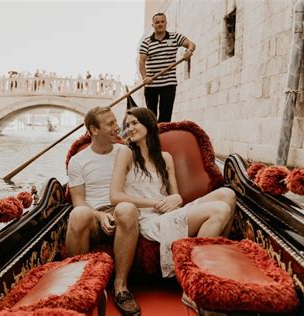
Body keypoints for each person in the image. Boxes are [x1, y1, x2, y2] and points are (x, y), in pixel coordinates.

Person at [110, 107, 235, 278]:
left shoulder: (166, 157)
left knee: (228, 194)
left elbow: (176, 198)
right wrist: (155, 203)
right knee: (220, 209)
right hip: (147, 219)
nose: (129, 128)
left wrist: (176, 198)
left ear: (149, 124)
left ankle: (213, 255)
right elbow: (115, 196)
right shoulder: (126, 153)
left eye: (134, 123)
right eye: (127, 125)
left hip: (168, 213)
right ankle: (195, 277)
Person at [66, 106, 141, 316]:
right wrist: (99, 215)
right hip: (94, 215)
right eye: (110, 124)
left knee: (126, 209)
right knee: (78, 214)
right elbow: (78, 202)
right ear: (94, 129)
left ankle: (121, 288)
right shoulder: (78, 161)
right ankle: (81, 287)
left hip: (124, 212)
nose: (117, 127)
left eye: (115, 122)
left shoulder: (125, 152)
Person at [139, 12, 196, 122]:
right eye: (157, 22)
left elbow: (191, 44)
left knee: (165, 116)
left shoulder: (175, 37)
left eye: (162, 21)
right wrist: (145, 77)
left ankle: (163, 138)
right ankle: (153, 138)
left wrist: (189, 51)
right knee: (151, 117)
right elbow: (141, 62)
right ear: (153, 25)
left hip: (168, 83)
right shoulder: (146, 42)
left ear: (166, 23)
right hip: (151, 83)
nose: (160, 24)